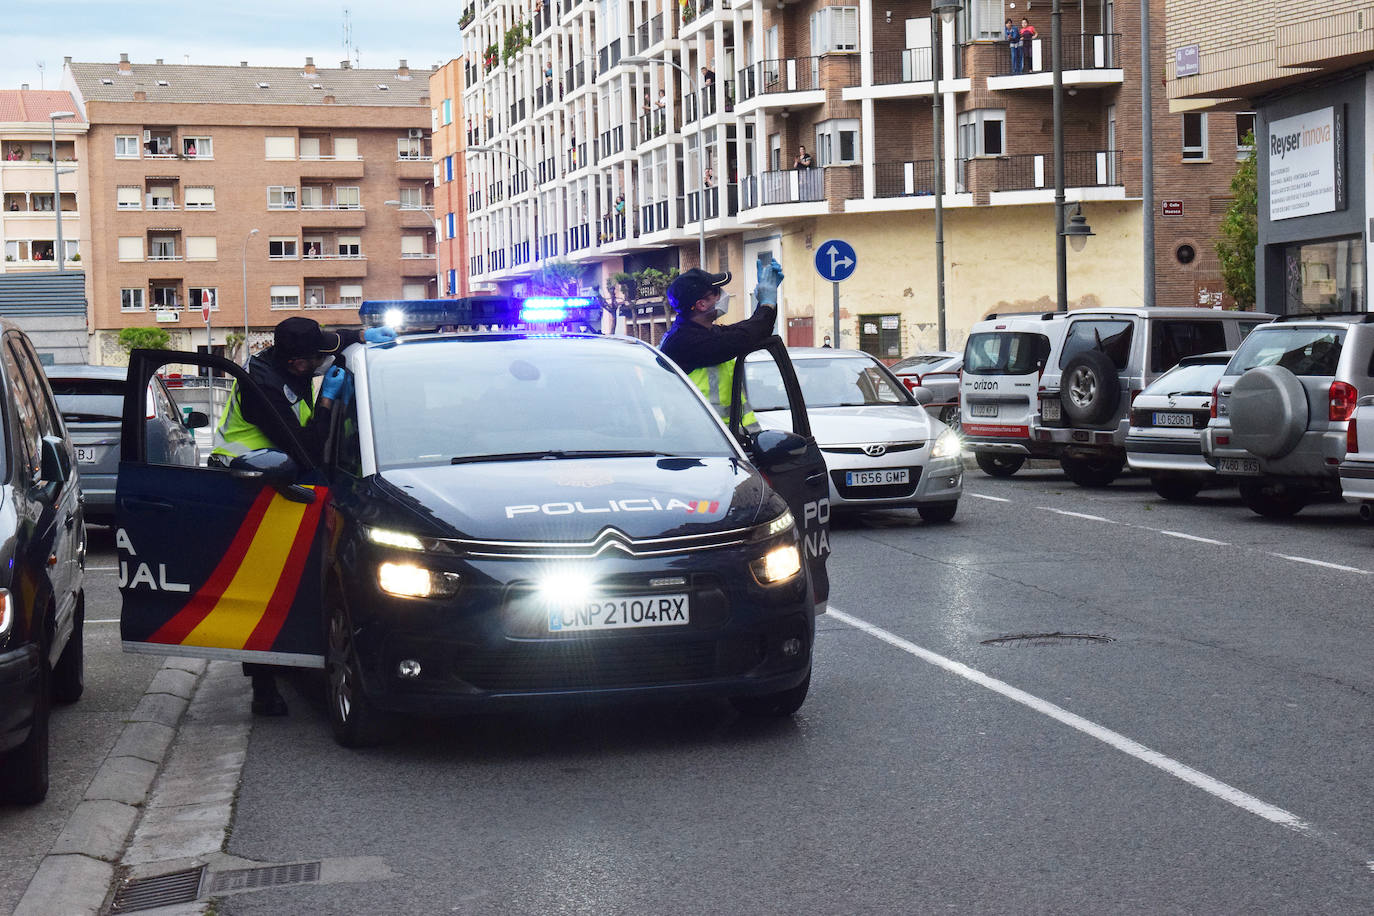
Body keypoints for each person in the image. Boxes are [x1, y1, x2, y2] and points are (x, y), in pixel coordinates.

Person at [212, 316, 397, 715]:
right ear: (295, 361)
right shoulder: (262, 389)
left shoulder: (297, 352)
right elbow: (306, 448)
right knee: (264, 588)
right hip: (252, 482)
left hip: (290, 480)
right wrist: (328, 399)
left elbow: (334, 339)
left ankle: (295, 655)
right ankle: (264, 687)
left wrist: (362, 336)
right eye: (312, 361)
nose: (318, 365)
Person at [659, 259, 784, 431]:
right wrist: (766, 304)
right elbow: (743, 337)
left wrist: (767, 305)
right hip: (698, 441)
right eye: (717, 292)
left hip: (720, 440)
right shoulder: (683, 342)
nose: (723, 295)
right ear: (702, 304)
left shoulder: (703, 333)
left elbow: (747, 330)